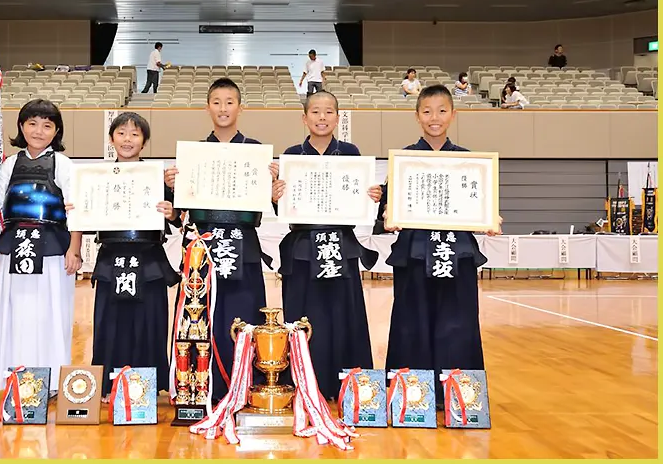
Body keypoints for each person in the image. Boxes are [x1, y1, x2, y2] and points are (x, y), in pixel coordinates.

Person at [380, 84, 502, 408]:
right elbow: (388, 211)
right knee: (411, 322)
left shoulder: (469, 162)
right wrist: (387, 214)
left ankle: (459, 396)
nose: (435, 118)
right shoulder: (403, 161)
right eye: (427, 111)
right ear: (417, 116)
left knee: (458, 322)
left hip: (456, 251)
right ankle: (412, 398)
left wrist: (491, 219)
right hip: (415, 253)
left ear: (453, 114)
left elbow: (482, 207)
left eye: (442, 110)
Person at [164, 77, 276, 402]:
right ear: (207, 107)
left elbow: (267, 201)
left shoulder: (255, 152)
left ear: (241, 107)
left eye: (229, 102)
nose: (223, 108)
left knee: (244, 316)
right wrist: (174, 186)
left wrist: (272, 181)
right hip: (204, 249)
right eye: (217, 102)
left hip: (244, 245)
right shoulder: (195, 155)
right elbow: (180, 211)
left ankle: (245, 384)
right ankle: (196, 385)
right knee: (201, 319)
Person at [270, 90, 382, 400]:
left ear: (338, 118)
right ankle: (304, 384)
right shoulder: (292, 154)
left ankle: (348, 385)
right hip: (303, 246)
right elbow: (284, 209)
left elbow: (358, 201)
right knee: (304, 315)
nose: (322, 117)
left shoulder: (350, 153)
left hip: (340, 245)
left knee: (342, 314)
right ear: (304, 118)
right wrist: (276, 195)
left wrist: (371, 195)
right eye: (316, 112)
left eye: (329, 111)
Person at [0, 98, 83, 394]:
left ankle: (50, 382)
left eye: (47, 125)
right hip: (16, 245)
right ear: (22, 127)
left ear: (56, 131)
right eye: (32, 123)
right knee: (17, 312)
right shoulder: (10, 164)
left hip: (52, 249)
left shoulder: (63, 164)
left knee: (51, 312)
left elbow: (75, 209)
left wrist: (74, 249)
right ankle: (17, 377)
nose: (39, 131)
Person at [78, 112, 182, 403]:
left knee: (150, 321)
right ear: (111, 139)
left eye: (135, 134)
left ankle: (150, 383)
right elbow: (84, 220)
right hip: (112, 257)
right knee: (110, 323)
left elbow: (176, 218)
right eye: (121, 133)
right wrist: (78, 207)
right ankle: (109, 384)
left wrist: (171, 211)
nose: (127, 139)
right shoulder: (96, 179)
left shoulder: (157, 179)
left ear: (144, 142)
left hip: (149, 259)